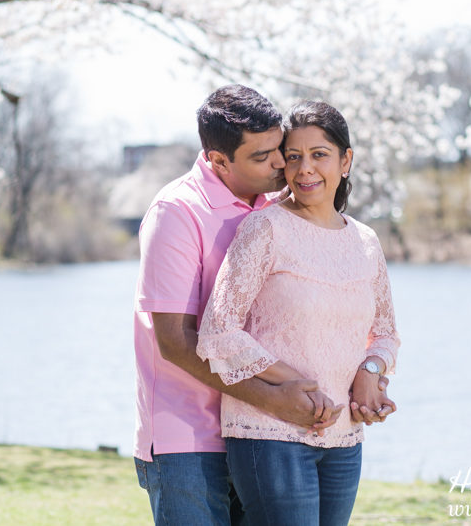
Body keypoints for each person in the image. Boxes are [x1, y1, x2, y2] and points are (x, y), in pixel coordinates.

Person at [132, 85, 337, 525]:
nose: (282, 163)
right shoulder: (177, 212)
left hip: (259, 433)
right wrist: (274, 398)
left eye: (278, 149)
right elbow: (174, 341)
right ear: (218, 160)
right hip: (189, 438)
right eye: (263, 157)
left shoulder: (279, 206)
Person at [197, 100, 400, 526]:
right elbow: (218, 330)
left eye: (319, 155)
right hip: (270, 434)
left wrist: (372, 372)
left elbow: (384, 331)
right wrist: (293, 380)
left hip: (344, 437)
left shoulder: (365, 241)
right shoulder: (265, 228)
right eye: (294, 157)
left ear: (346, 161)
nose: (305, 169)